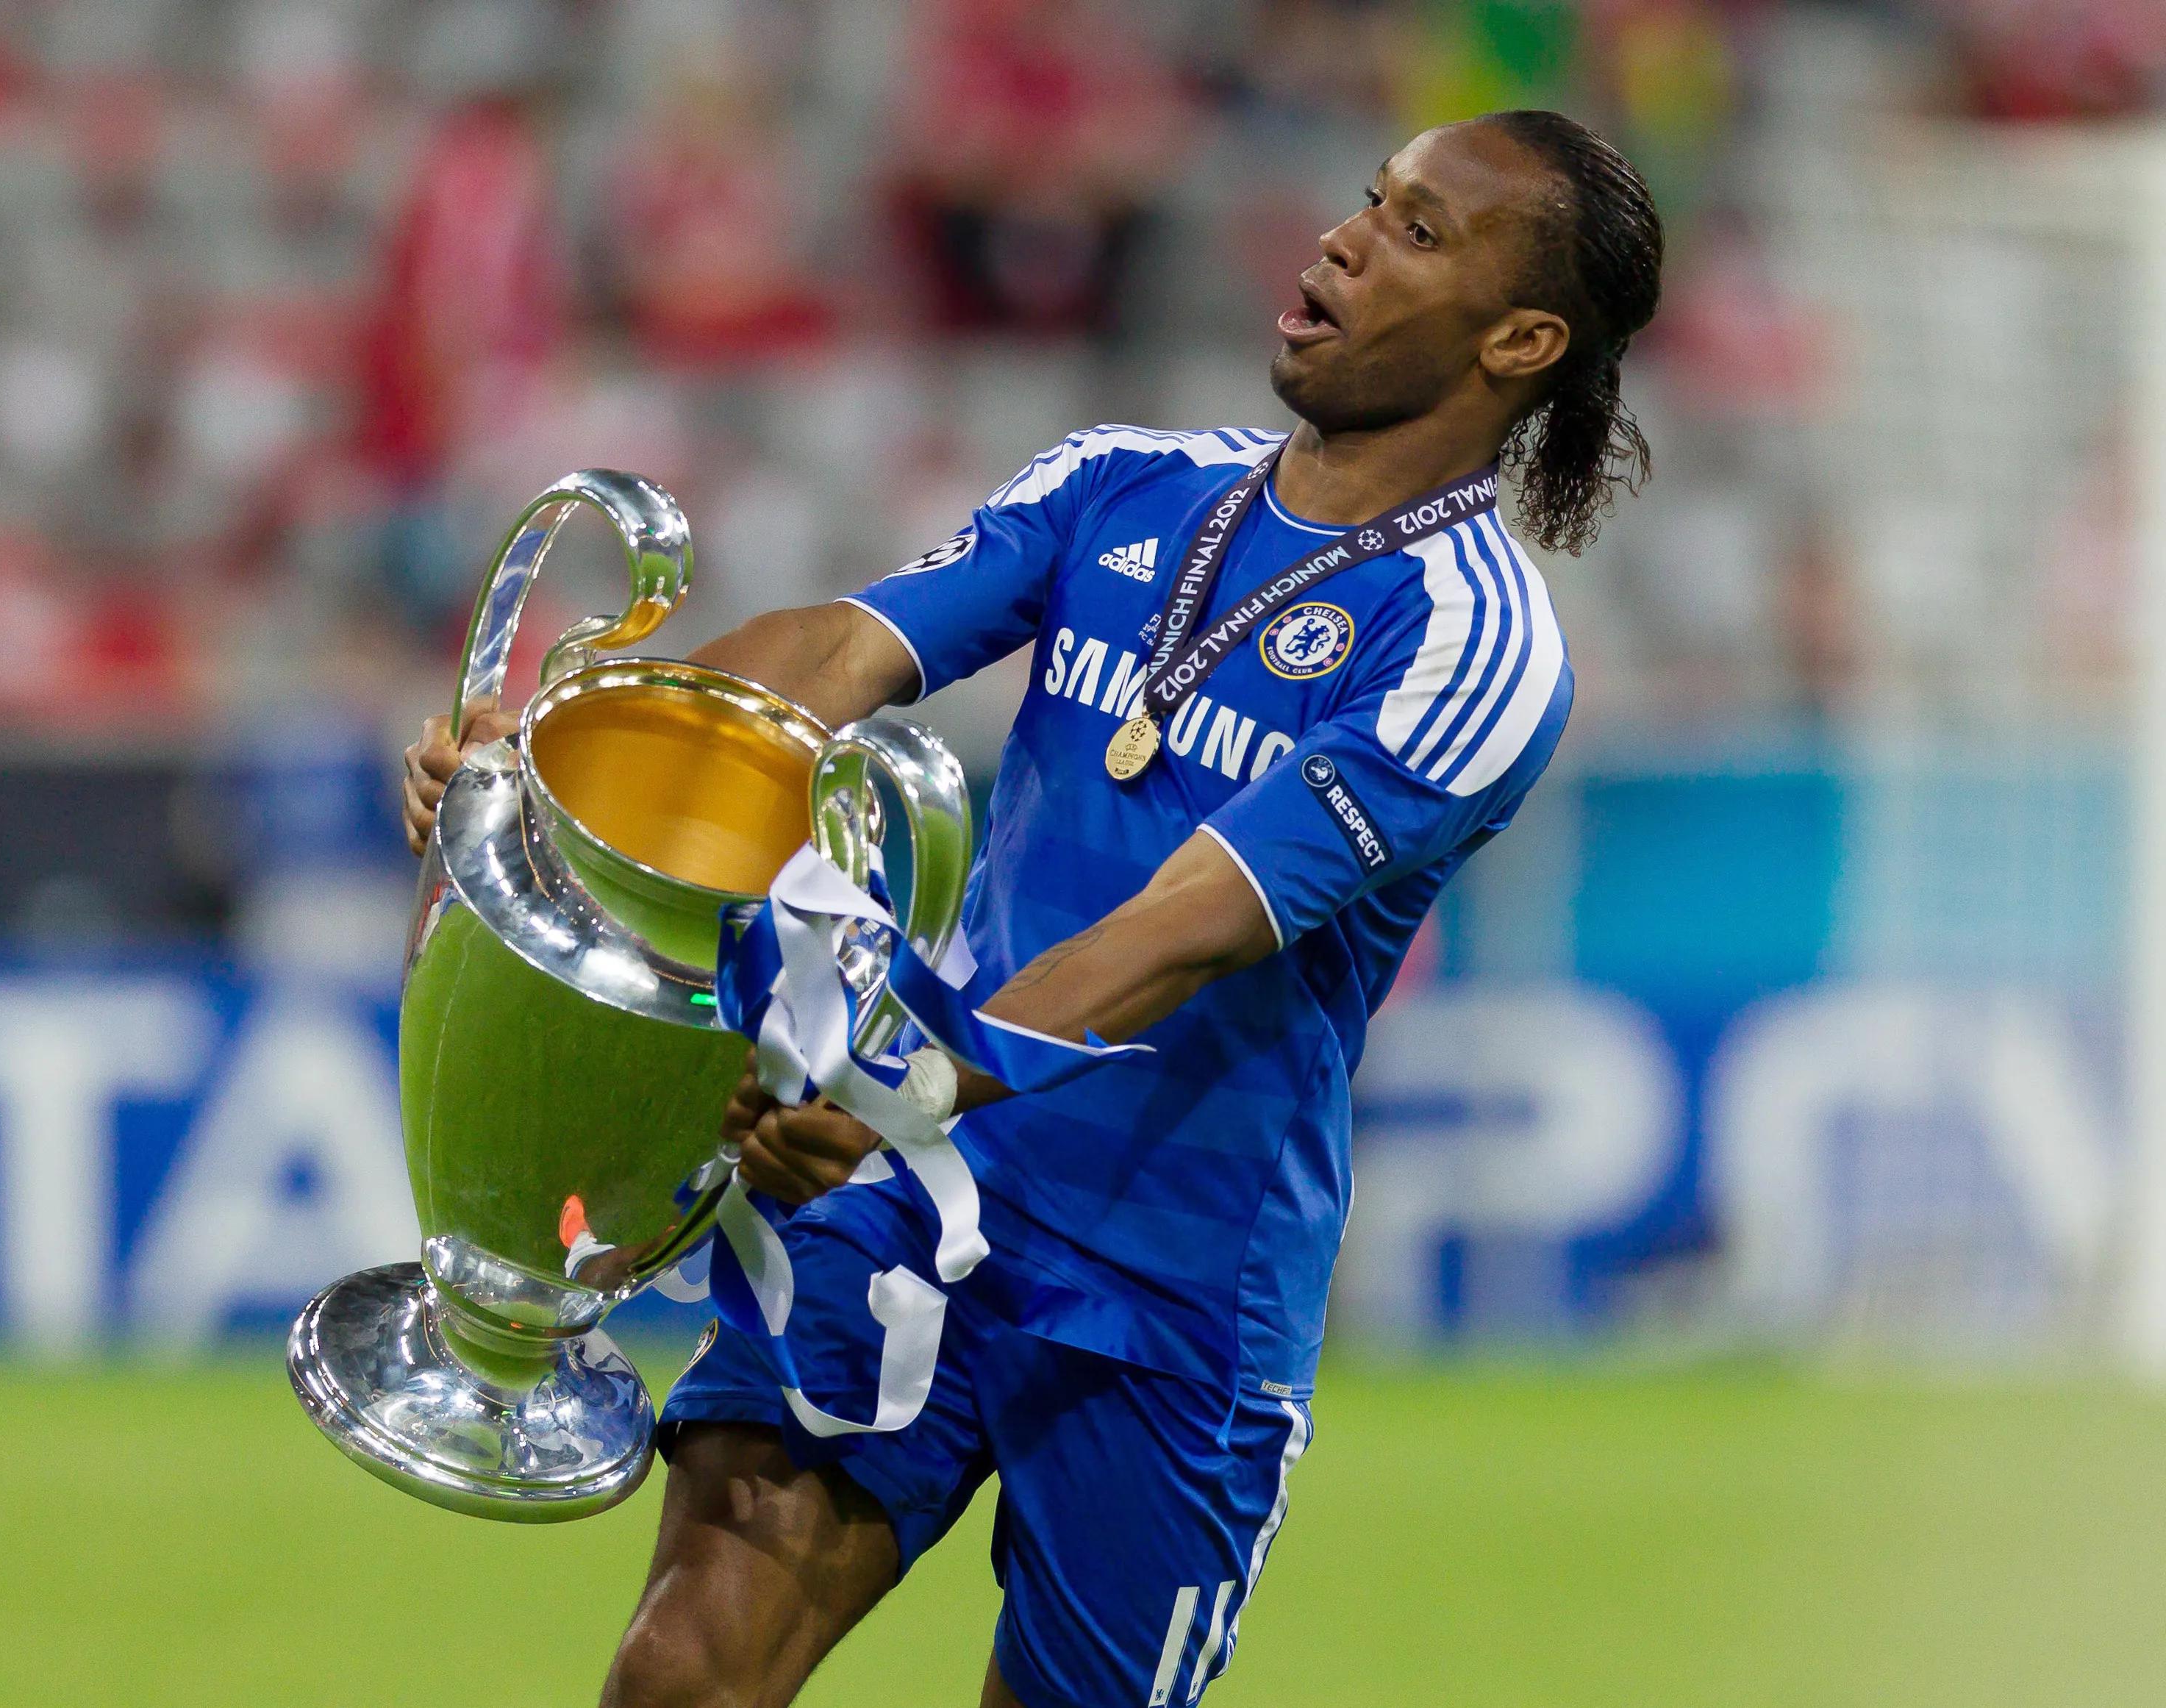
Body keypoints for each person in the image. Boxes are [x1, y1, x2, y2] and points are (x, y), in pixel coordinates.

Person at [402, 110, 1663, 1708]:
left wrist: (885, 1083)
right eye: (1366, 202)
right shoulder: (1126, 483)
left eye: (1416, 231)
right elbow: (838, 654)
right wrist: (558, 771)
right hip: (922, 1201)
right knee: (680, 1679)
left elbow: (1176, 938)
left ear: (1524, 337)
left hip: (1179, 1301)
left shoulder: (1473, 643)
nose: (1341, 240)